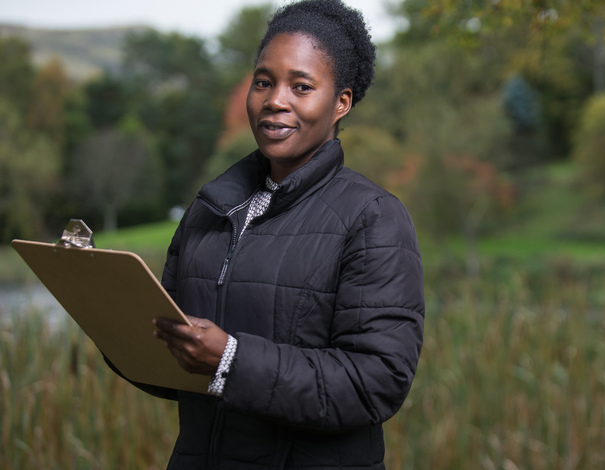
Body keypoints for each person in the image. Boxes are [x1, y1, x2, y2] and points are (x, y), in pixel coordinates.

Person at [140, 1, 424, 468]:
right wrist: (109, 316)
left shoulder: (373, 217)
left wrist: (231, 360)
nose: (275, 100)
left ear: (341, 103)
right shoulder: (209, 210)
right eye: (264, 82)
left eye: (302, 86)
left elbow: (375, 382)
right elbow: (169, 359)